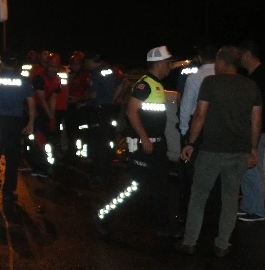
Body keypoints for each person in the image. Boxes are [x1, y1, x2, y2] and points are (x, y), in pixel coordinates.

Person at [177, 46, 262, 257]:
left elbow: (200, 114)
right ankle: (222, 244)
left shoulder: (211, 83)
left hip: (212, 150)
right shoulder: (251, 86)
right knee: (231, 198)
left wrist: (190, 143)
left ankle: (190, 242)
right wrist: (252, 148)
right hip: (239, 151)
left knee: (198, 196)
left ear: (222, 63)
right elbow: (256, 120)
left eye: (216, 62)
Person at [96, 46, 176, 240]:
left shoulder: (156, 85)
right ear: (158, 63)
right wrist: (145, 138)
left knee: (160, 186)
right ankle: (104, 216)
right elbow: (131, 112)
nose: (170, 66)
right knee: (133, 187)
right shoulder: (144, 85)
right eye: (168, 63)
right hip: (144, 145)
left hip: (156, 145)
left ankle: (162, 227)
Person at [237, 39, 265, 222]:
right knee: (248, 168)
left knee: (253, 168)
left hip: (259, 129)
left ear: (248, 54)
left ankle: (256, 210)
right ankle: (249, 205)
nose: (239, 60)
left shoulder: (263, 74)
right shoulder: (254, 75)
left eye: (241, 56)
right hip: (253, 128)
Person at [0, 51, 36, 204]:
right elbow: (31, 105)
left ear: (1, 64)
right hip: (15, 123)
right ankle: (8, 192)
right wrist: (30, 123)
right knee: (13, 158)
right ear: (16, 65)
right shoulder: (24, 81)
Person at [178, 45, 216, 215]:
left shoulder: (195, 77)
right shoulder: (223, 76)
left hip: (197, 128)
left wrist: (185, 132)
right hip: (217, 128)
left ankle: (190, 208)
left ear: (200, 57)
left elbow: (186, 106)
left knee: (191, 170)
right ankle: (212, 206)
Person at [84, 53, 127, 185]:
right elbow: (124, 83)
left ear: (91, 61)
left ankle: (99, 174)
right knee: (108, 141)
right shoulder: (111, 71)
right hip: (110, 110)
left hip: (99, 111)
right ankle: (107, 171)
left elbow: (93, 95)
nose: (85, 65)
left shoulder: (96, 73)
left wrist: (82, 99)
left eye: (86, 62)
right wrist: (114, 98)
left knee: (99, 143)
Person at [28, 52, 62, 177]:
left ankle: (43, 164)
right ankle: (38, 166)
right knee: (38, 137)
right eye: (51, 66)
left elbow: (52, 99)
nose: (53, 69)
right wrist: (50, 117)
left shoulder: (58, 80)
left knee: (46, 136)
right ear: (47, 66)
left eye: (55, 67)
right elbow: (41, 99)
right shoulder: (39, 78)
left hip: (44, 109)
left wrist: (52, 117)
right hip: (34, 107)